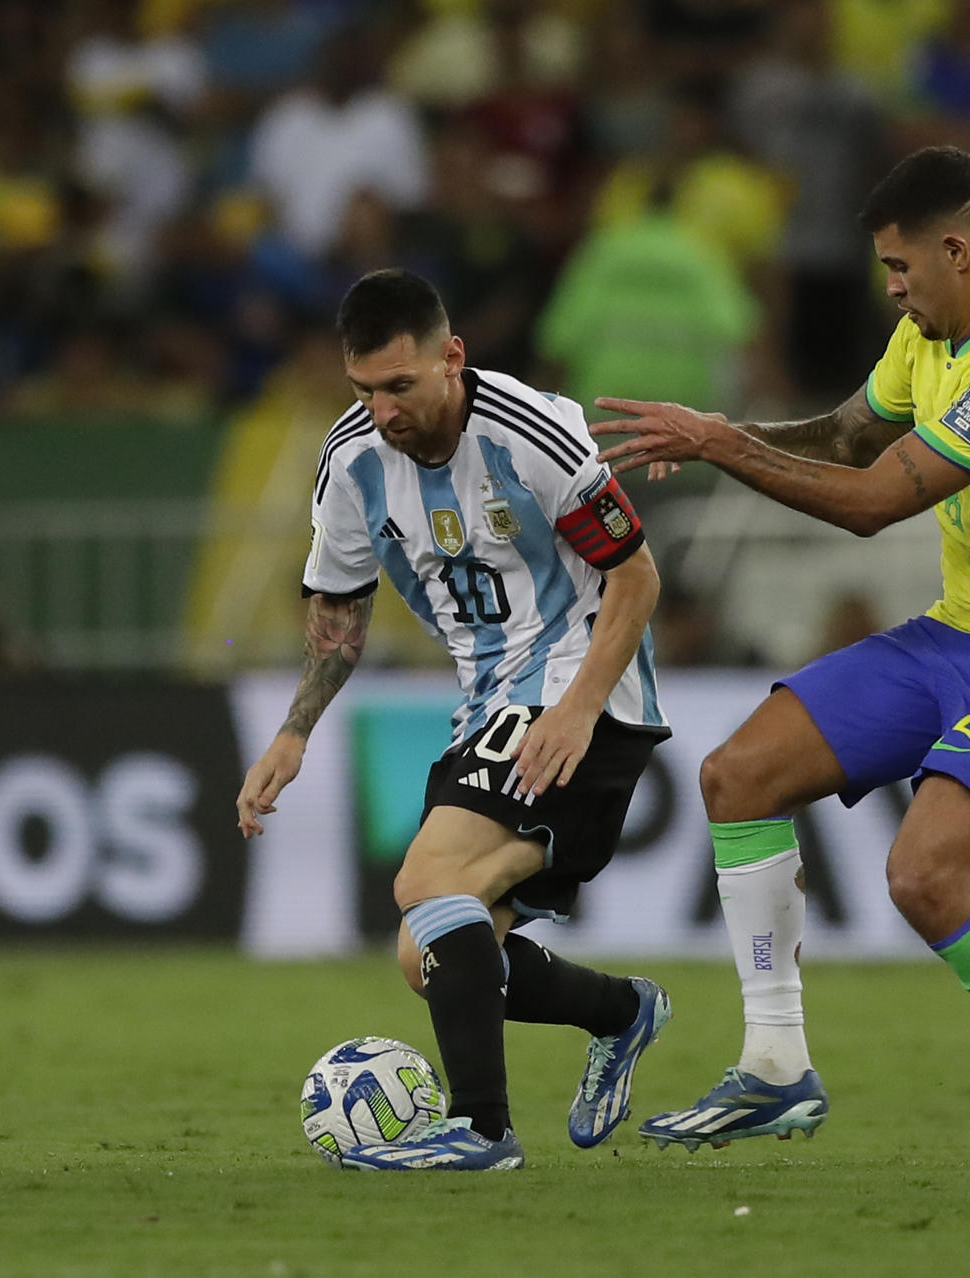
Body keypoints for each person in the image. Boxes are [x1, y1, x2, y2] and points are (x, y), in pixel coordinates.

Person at [590, 146, 970, 1172]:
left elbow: (876, 504)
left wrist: (719, 446)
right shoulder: (928, 338)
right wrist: (726, 433)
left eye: (900, 270)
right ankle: (774, 1067)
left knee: (926, 876)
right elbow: (848, 439)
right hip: (958, 631)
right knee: (739, 776)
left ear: (956, 249)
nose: (890, 291)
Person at [235, 269, 673, 1171]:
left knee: (430, 878)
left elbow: (636, 577)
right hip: (485, 704)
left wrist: (579, 711)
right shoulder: (353, 462)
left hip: (581, 689)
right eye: (364, 390)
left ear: (452, 358)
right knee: (427, 953)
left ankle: (481, 1132)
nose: (383, 411)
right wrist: (293, 731)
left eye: (401, 386)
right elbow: (339, 611)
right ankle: (624, 1013)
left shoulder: (529, 434)